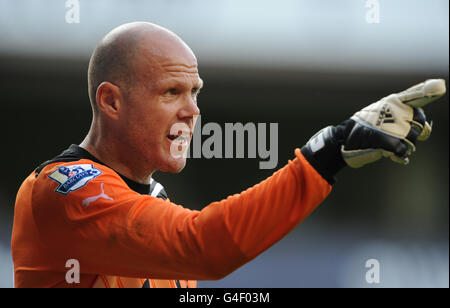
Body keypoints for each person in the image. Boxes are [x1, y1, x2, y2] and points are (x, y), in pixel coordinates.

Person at [11, 22, 446, 288]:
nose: (192, 110)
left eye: (195, 92)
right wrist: (325, 154)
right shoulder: (63, 190)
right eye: (171, 92)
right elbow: (202, 244)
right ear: (111, 102)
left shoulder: (155, 203)